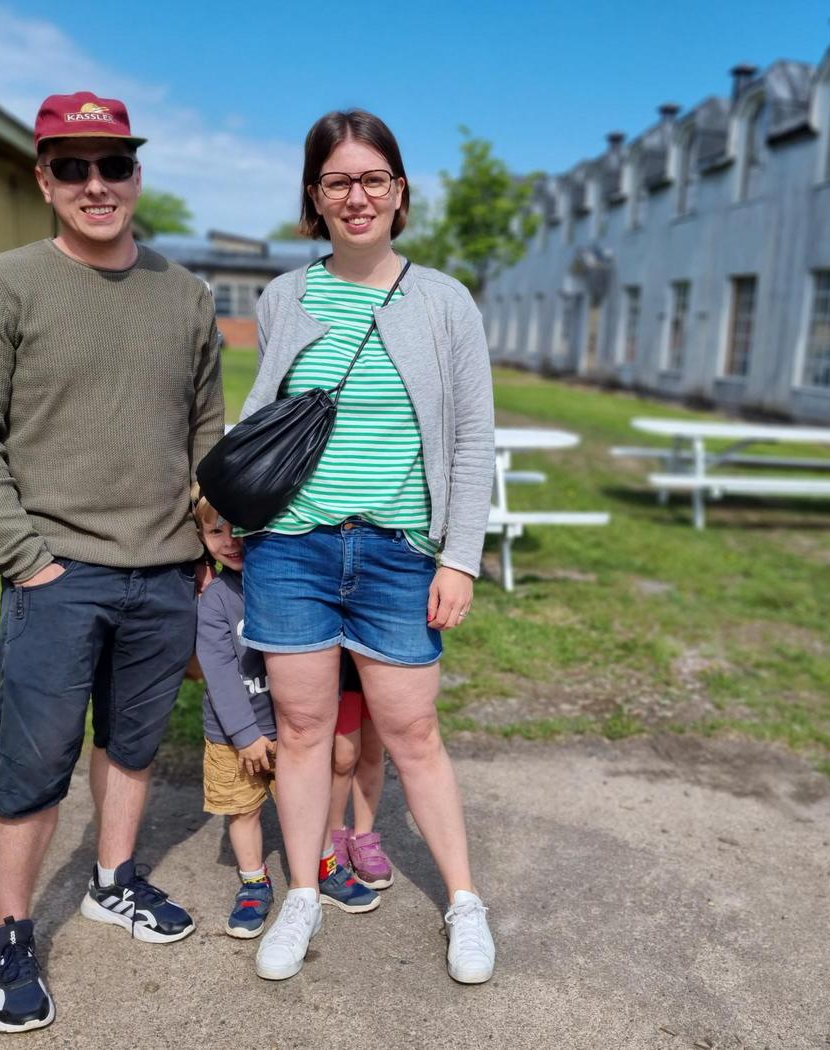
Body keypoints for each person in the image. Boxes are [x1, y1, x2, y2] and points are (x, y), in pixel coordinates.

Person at [0, 91, 223, 1034]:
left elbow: (203, 433)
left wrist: (206, 536)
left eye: (112, 166)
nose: (95, 184)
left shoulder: (187, 296)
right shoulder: (4, 285)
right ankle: (12, 932)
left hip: (164, 572)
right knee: (33, 763)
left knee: (133, 745)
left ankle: (112, 881)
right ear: (44, 179)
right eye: (73, 167)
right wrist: (25, 558)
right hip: (56, 573)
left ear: (137, 174)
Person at [238, 109, 496, 985]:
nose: (358, 198)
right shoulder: (284, 296)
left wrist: (459, 556)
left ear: (400, 191)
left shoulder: (444, 300)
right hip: (293, 552)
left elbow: (470, 439)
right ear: (314, 197)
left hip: (396, 554)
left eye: (373, 180)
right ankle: (302, 896)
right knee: (304, 731)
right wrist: (229, 519)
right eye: (338, 182)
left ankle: (464, 902)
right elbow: (263, 421)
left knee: (413, 731)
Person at [194, 495, 279, 938]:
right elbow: (219, 672)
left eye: (238, 527)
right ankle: (253, 883)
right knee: (242, 811)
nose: (230, 541)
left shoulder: (285, 585)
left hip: (290, 730)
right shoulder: (215, 601)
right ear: (202, 539)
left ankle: (323, 868)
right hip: (233, 734)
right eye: (215, 532)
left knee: (310, 805)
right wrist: (245, 734)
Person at [326, 659, 394, 891]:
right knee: (343, 757)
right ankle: (335, 832)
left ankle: (362, 836)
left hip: (380, 655)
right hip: (341, 658)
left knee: (374, 751)